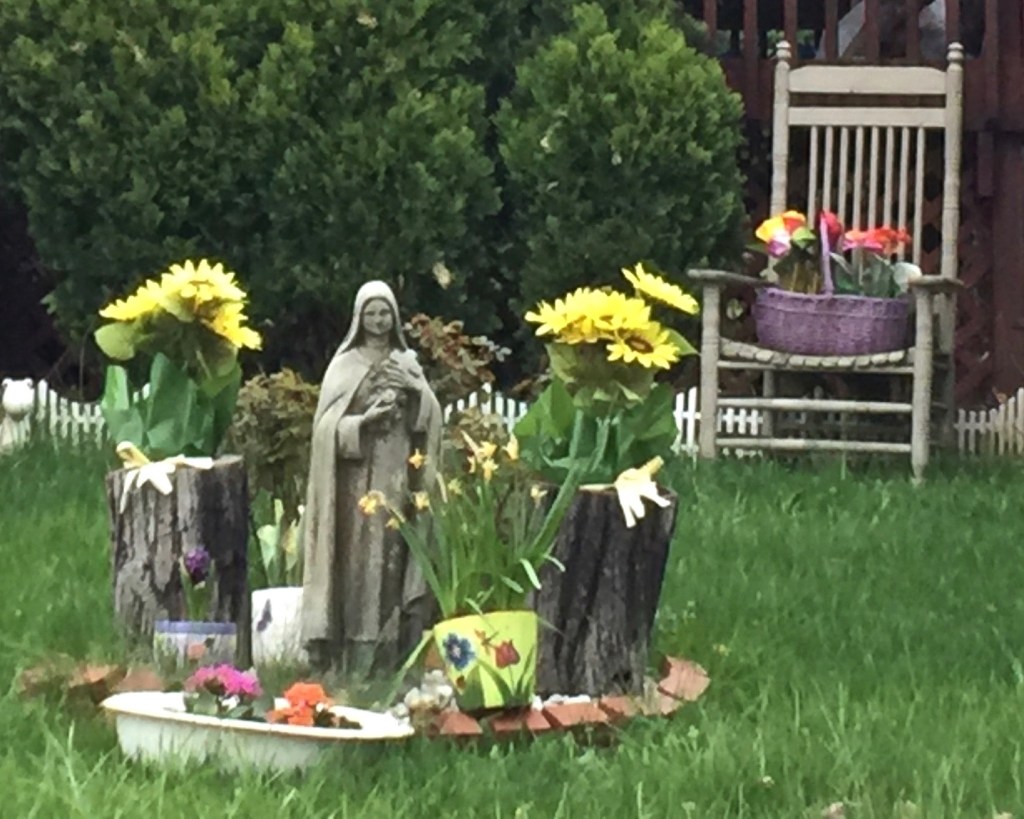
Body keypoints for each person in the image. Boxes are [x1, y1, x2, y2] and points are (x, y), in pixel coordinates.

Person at [300, 280, 442, 674]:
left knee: (391, 558)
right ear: (359, 319)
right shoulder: (344, 366)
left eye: (385, 313)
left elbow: (430, 419)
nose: (379, 321)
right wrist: (363, 422)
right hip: (353, 483)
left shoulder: (406, 362)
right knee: (356, 560)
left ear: (394, 317)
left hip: (396, 475)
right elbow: (325, 429)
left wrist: (414, 390)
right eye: (371, 313)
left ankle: (391, 653)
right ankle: (349, 652)